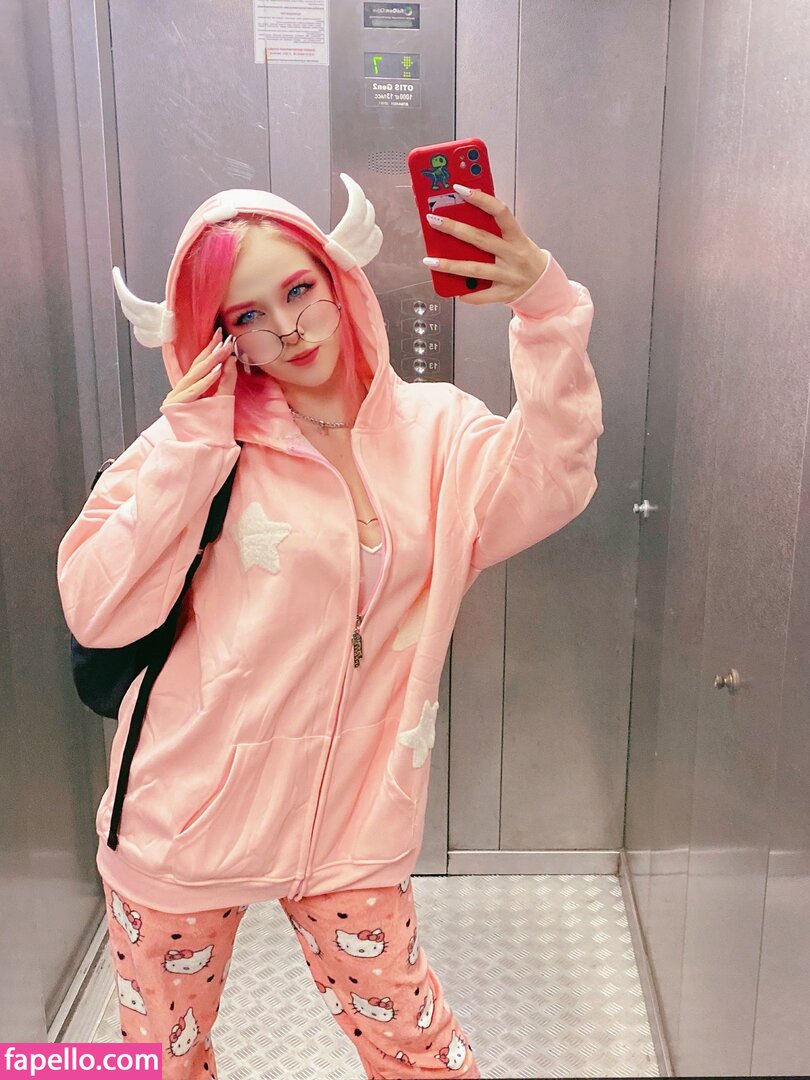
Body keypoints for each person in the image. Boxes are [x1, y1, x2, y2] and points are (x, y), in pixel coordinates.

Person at [56, 175, 604, 1079]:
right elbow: (97, 605)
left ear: (336, 278)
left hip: (354, 823)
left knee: (420, 1054)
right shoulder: (187, 445)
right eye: (248, 316)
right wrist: (192, 450)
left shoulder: (437, 434)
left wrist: (545, 310)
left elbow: (554, 476)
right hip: (183, 825)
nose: (288, 329)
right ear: (218, 337)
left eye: (299, 290)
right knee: (160, 1065)